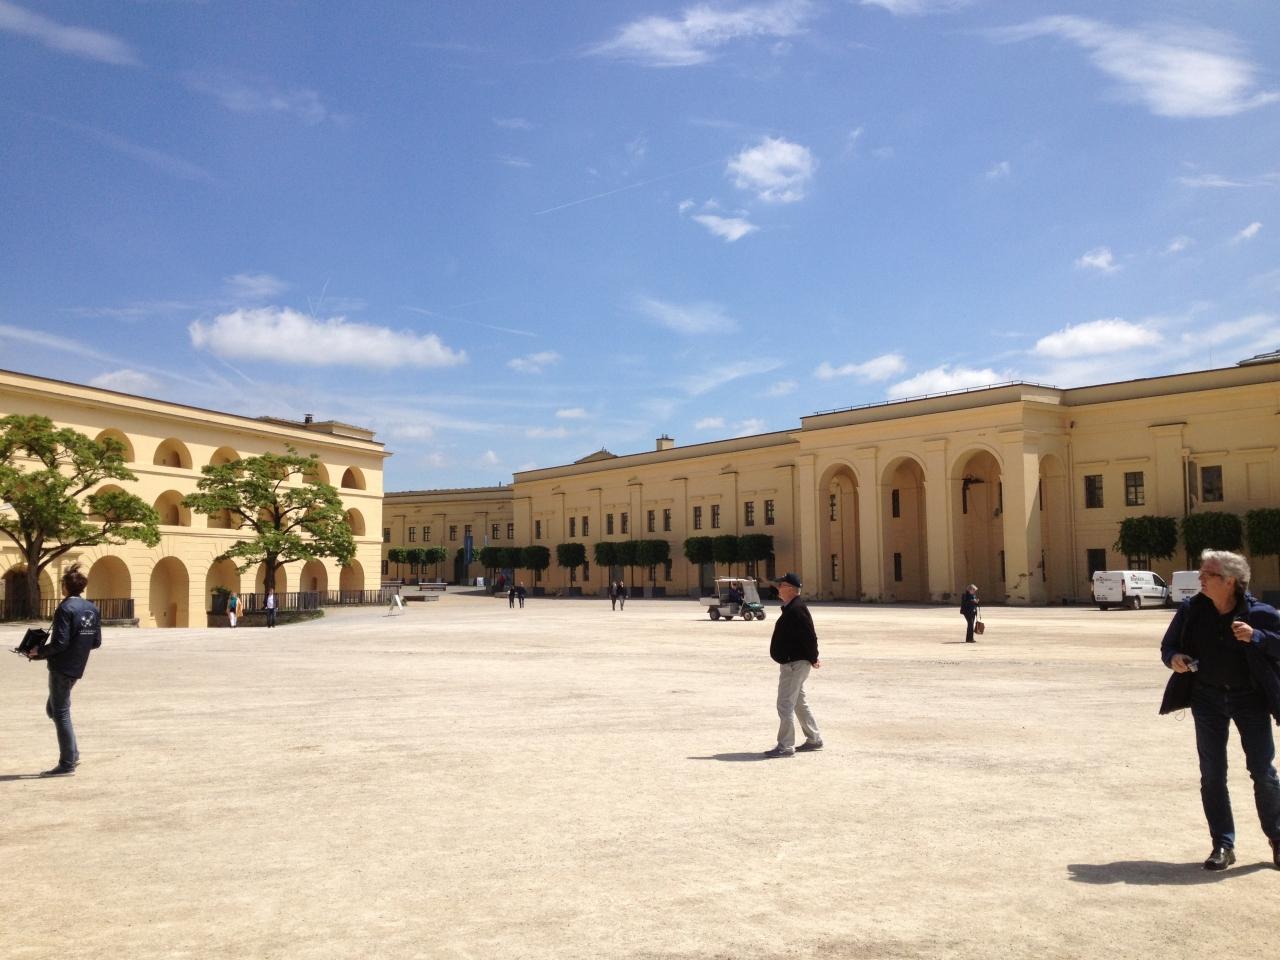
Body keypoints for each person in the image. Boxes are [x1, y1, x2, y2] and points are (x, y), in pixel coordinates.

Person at [1160, 549, 1280, 871]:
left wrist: (1257, 636)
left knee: (1263, 772)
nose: (1200, 578)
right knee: (1212, 775)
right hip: (1207, 699)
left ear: (1229, 581)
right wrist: (1175, 659)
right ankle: (1223, 845)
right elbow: (1168, 647)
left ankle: (1277, 838)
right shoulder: (1192, 610)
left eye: (1207, 574)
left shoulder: (1259, 613)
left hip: (1249, 699)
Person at [26, 563, 102, 776]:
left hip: (61, 667)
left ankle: (67, 762)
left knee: (59, 713)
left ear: (65, 587)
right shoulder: (92, 608)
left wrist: (39, 652)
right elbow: (96, 641)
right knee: (54, 709)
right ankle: (73, 754)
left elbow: (60, 643)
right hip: (77, 665)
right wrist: (78, 647)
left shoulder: (65, 608)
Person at [763, 572, 822, 757]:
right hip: (794, 662)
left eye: (781, 585)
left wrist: (813, 657)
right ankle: (814, 738)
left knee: (785, 704)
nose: (778, 588)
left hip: (794, 664)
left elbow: (809, 636)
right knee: (798, 702)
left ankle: (786, 746)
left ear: (790, 589)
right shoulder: (792, 608)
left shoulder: (796, 609)